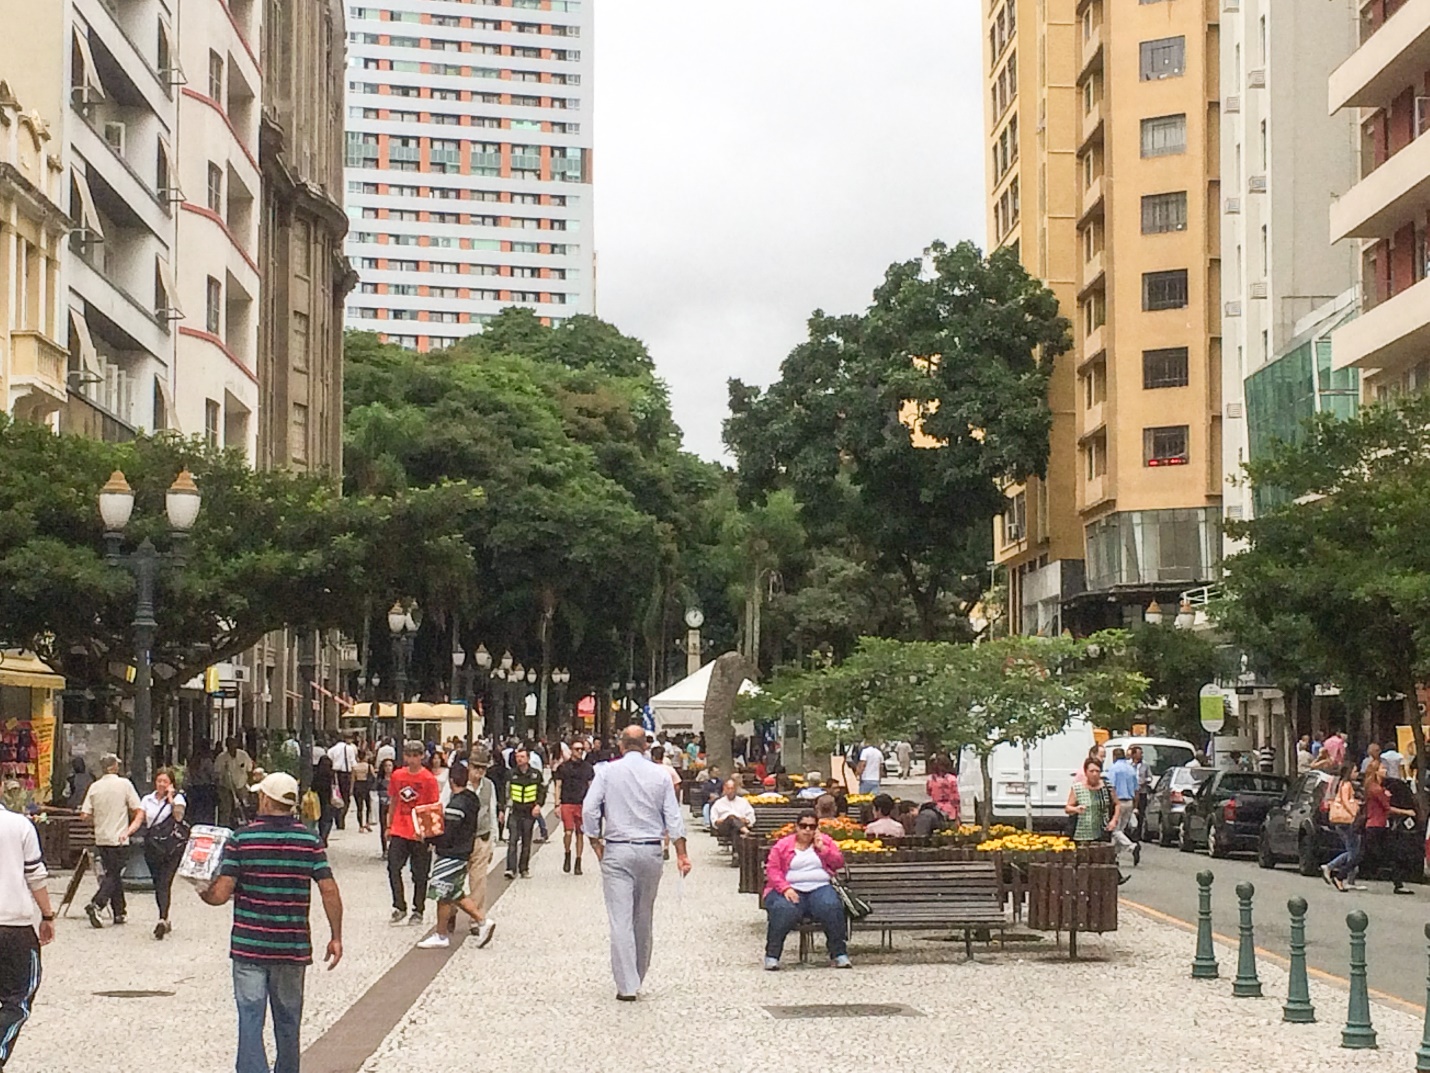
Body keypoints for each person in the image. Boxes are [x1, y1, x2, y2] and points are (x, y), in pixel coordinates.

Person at [200, 772, 342, 1073]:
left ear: (265, 799)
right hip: (292, 947)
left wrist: (201, 888)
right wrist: (336, 936)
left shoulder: (243, 839)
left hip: (250, 947)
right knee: (289, 1021)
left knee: (250, 1017)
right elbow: (328, 889)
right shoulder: (310, 841)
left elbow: (220, 894)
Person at [582, 725, 691, 1002]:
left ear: (621, 745)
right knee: (643, 917)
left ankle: (626, 984)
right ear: (645, 746)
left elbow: (589, 808)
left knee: (620, 919)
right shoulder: (661, 775)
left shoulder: (606, 772)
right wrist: (681, 851)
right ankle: (639, 974)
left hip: (617, 849)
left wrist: (595, 840)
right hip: (650, 850)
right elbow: (673, 816)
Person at [0, 787, 55, 1071]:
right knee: (19, 997)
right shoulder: (19, 825)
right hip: (13, 925)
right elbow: (35, 875)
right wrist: (47, 915)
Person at [761, 808, 850, 970]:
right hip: (789, 888)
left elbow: (838, 863)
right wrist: (785, 888)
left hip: (820, 886)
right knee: (783, 910)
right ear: (796, 827)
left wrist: (822, 849)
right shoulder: (783, 845)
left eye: (812, 826)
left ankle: (839, 953)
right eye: (803, 826)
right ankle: (772, 955)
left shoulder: (825, 841)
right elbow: (773, 870)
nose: (807, 830)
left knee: (831, 907)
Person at [417, 762, 488, 949]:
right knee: (454, 892)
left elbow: (447, 832)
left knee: (443, 891)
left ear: (451, 781)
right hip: (464, 850)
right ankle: (480, 921)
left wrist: (429, 839)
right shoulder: (472, 799)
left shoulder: (456, 804)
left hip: (451, 854)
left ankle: (443, 934)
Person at [80, 753, 143, 928]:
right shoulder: (124, 785)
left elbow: (84, 814)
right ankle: (97, 903)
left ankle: (119, 911)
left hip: (102, 837)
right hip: (119, 837)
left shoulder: (94, 787)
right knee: (114, 874)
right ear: (114, 767)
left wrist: (98, 819)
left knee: (112, 873)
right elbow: (136, 807)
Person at [387, 741, 440, 926]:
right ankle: (399, 905)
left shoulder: (428, 779)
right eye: (409, 755)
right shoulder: (397, 775)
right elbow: (394, 800)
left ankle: (418, 909)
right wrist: (389, 825)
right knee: (393, 867)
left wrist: (429, 834)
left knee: (420, 873)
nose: (412, 759)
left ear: (421, 756)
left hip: (419, 832)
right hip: (399, 829)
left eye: (416, 755)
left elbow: (433, 808)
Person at [140, 768, 186, 940]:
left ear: (171, 784)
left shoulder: (179, 799)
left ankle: (162, 918)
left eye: (165, 782)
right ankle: (164, 917)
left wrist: (171, 798)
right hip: (153, 847)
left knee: (165, 882)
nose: (161, 784)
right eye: (159, 781)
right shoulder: (147, 799)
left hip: (172, 848)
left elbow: (179, 817)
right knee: (158, 882)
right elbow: (140, 818)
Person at [1359, 762, 1417, 895]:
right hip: (1376, 826)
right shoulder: (1377, 789)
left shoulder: (1376, 788)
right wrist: (1406, 812)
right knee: (1364, 854)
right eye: (1382, 768)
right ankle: (1339, 873)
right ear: (1376, 772)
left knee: (1390, 854)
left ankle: (1398, 884)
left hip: (1379, 825)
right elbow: (1387, 808)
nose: (1385, 771)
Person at [1066, 758, 1126, 884]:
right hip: (1082, 831)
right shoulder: (1077, 788)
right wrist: (1076, 809)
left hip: (1101, 829)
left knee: (1102, 857)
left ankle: (1106, 881)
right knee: (1083, 859)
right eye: (1091, 771)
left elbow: (1117, 804)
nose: (1094, 774)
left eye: (1097, 771)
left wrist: (1113, 820)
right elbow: (1068, 808)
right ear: (1086, 772)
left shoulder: (1107, 787)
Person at [462, 748, 498, 947]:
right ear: (469, 766)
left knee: (479, 881)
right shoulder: (458, 782)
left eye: (483, 769)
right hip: (460, 840)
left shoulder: (489, 786)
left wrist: (493, 840)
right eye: (476, 768)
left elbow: (492, 811)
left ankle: (476, 919)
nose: (479, 772)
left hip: (481, 837)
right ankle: (449, 911)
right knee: (456, 880)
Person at [554, 739, 596, 875]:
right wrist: (556, 804)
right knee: (568, 832)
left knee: (580, 834)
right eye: (577, 749)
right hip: (567, 802)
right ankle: (567, 852)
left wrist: (592, 805)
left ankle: (578, 861)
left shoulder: (588, 768)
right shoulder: (563, 767)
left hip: (582, 803)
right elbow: (558, 785)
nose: (579, 752)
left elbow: (591, 787)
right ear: (571, 750)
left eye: (581, 749)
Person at [504, 749, 544, 879]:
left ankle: (524, 868)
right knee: (513, 840)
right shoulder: (511, 774)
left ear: (527, 759)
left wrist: (538, 805)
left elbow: (541, 791)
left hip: (529, 812)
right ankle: (510, 868)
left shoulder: (535, 775)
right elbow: (506, 791)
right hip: (515, 811)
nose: (519, 759)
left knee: (526, 842)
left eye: (522, 756)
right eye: (517, 757)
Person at [1323, 763, 1363, 892]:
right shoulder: (1347, 785)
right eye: (1355, 771)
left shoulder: (1341, 784)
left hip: (1340, 821)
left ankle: (1346, 877)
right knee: (1354, 851)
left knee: (1352, 849)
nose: (1357, 774)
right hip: (1346, 821)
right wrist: (1353, 813)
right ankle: (1333, 868)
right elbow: (1346, 801)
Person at [1106, 747, 1140, 867]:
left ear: (1114, 756)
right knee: (1121, 830)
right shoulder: (1131, 769)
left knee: (1115, 831)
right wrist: (1136, 805)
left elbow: (1111, 787)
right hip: (1129, 801)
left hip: (1119, 801)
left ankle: (1131, 846)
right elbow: (1137, 789)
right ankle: (1115, 856)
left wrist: (1113, 802)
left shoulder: (1113, 769)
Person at [214, 737, 254, 828]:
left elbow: (250, 770)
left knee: (245, 806)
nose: (232, 747)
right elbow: (217, 774)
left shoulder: (243, 755)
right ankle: (225, 826)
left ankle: (247, 825)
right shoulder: (221, 758)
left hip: (241, 785)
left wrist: (250, 785)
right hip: (226, 787)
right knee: (226, 809)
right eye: (229, 745)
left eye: (233, 744)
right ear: (227, 746)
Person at [710, 779, 757, 844]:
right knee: (731, 817)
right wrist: (723, 820)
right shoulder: (718, 803)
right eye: (728, 789)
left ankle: (736, 851)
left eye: (732, 789)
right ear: (725, 789)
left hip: (740, 825)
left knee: (735, 828)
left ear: (735, 789)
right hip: (725, 827)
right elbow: (714, 821)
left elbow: (751, 816)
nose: (730, 791)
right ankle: (746, 832)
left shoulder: (743, 801)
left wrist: (746, 820)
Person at [326, 735, 356, 831]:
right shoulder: (349, 749)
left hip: (335, 774)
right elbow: (353, 764)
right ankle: (341, 817)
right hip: (346, 774)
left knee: (336, 796)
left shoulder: (331, 750)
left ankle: (337, 816)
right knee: (346, 798)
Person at [311, 755, 337, 847]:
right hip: (328, 799)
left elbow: (313, 787)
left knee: (319, 819)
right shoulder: (331, 774)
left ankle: (320, 836)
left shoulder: (316, 774)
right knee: (327, 820)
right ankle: (324, 836)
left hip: (318, 799)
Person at [926, 755, 961, 822]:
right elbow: (955, 797)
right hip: (950, 809)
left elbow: (929, 792)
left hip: (936, 808)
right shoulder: (952, 779)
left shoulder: (930, 779)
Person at [1129, 745, 1152, 845]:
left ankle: (1137, 835)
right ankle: (1129, 833)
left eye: (1141, 753)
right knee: (1129, 813)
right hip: (1131, 793)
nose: (1141, 755)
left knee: (1140, 813)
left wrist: (1144, 781)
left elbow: (1150, 777)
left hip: (1142, 792)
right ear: (1134, 754)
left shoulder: (1145, 765)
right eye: (1139, 753)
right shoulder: (1128, 765)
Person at [374, 758, 394, 856]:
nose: (388, 768)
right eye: (386, 766)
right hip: (383, 805)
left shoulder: (396, 779)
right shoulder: (380, 780)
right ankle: (384, 849)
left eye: (390, 765)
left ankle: (392, 848)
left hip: (393, 806)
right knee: (383, 826)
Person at [352, 749, 373, 833]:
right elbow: (374, 775)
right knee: (368, 806)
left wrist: (351, 789)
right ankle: (367, 823)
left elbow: (353, 779)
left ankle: (360, 826)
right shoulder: (368, 766)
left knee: (359, 807)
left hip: (357, 785)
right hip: (366, 785)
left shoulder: (355, 767)